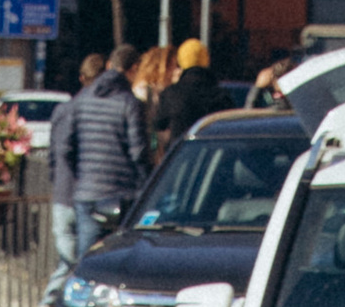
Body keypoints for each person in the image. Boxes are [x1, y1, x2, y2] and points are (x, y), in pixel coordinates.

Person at [51, 43, 149, 258]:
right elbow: (138, 152)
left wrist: (84, 174)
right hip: (120, 193)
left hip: (86, 192)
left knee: (86, 260)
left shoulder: (82, 101)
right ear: (133, 69)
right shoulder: (129, 103)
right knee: (118, 256)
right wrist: (144, 184)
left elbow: (66, 148)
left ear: (110, 64)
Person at [150, 37, 223, 148]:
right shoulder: (221, 95)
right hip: (211, 159)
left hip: (182, 158)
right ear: (206, 60)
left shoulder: (171, 94)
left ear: (181, 61)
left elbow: (158, 124)